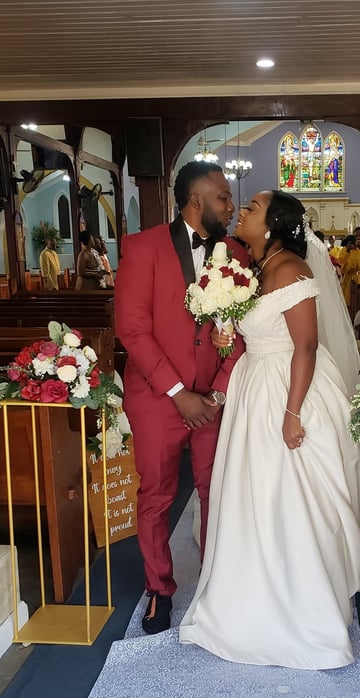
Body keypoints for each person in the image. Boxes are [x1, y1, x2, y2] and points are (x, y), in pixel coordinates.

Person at [179, 190, 360, 670]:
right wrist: (226, 332)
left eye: (253, 208)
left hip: (287, 389)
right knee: (253, 492)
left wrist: (292, 413)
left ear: (273, 225)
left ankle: (301, 606)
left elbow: (305, 346)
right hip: (254, 387)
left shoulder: (290, 269)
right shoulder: (258, 267)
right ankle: (251, 594)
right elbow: (257, 331)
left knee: (286, 493)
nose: (242, 212)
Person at [115, 161, 248, 635]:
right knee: (156, 494)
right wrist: (177, 393)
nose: (231, 207)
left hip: (213, 400)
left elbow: (245, 332)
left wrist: (217, 391)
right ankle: (159, 587)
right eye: (223, 197)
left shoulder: (237, 254)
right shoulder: (143, 248)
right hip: (157, 398)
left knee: (218, 491)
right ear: (196, 201)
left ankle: (215, 585)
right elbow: (132, 329)